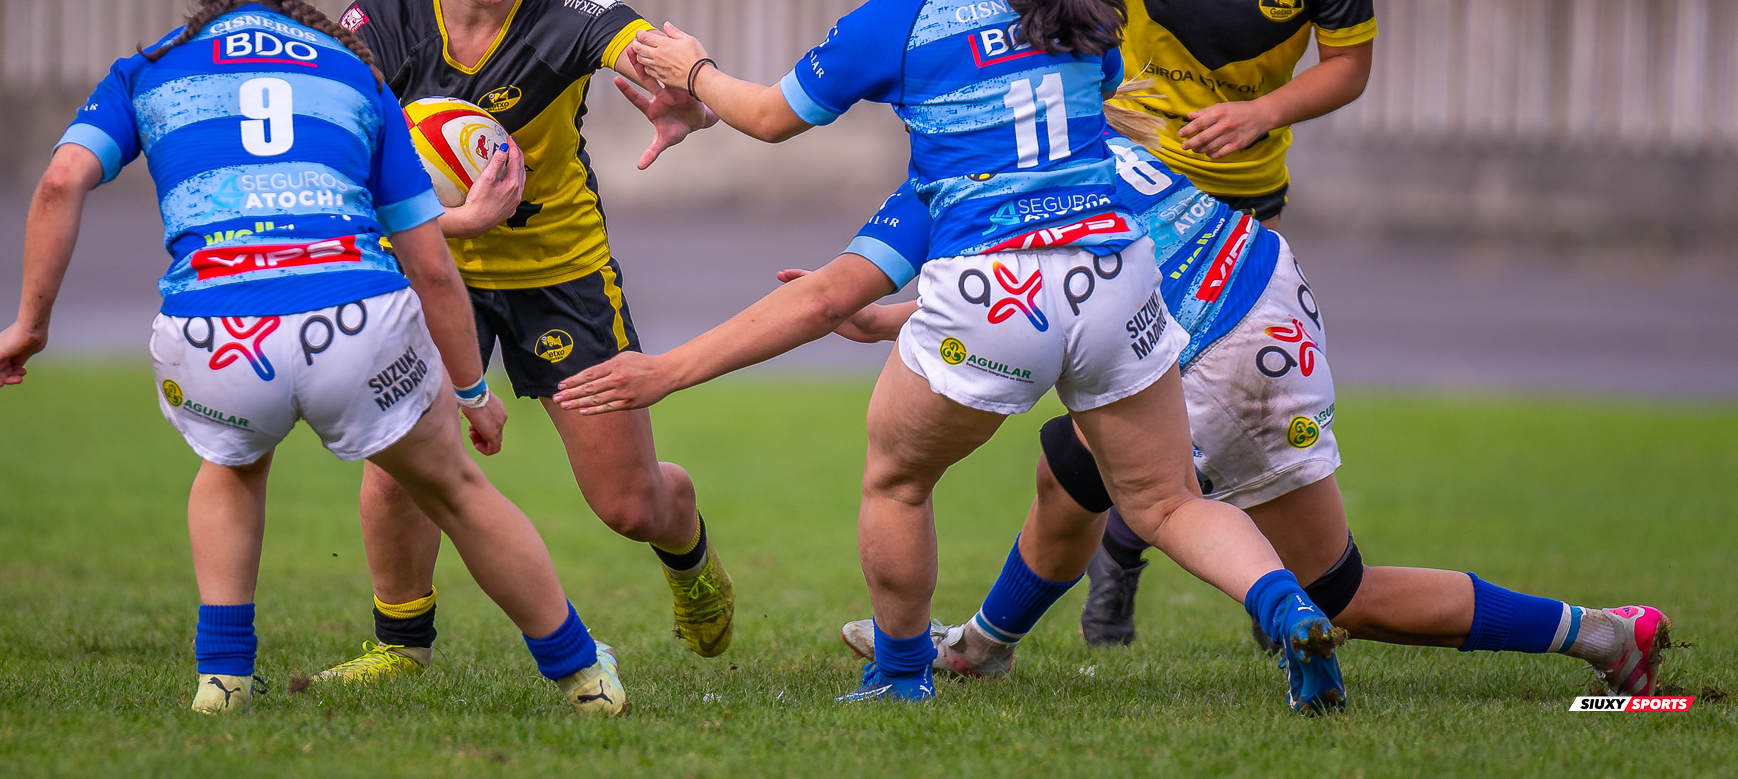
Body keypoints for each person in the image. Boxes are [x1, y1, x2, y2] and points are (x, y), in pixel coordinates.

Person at [610, 0, 1348, 712]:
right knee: (1163, 503)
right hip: (1117, 274)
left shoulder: (905, 20)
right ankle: (1289, 608)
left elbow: (770, 118)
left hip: (995, 292)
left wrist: (692, 69)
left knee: (898, 479)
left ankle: (901, 674)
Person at [559, 123, 1673, 701]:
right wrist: (896, 318)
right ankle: (1603, 635)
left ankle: (995, 649)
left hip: (1203, 344)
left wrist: (672, 369)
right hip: (1268, 299)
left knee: (1140, 494)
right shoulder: (1068, 121)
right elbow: (1038, 273)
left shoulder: (969, 160)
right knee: (1090, 476)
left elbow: (961, 290)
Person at [0, 0, 627, 717]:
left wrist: (30, 323)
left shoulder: (149, 69)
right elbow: (431, 264)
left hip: (216, 334)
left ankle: (223, 680)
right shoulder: (353, 72)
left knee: (231, 467)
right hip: (354, 323)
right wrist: (472, 392)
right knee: (456, 490)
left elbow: (60, 181)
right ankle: (582, 676)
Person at [314, 0, 733, 684]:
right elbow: (340, 183)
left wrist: (697, 91)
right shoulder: (379, 26)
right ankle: (400, 647)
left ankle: (685, 539)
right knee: (399, 465)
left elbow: (641, 45)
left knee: (628, 505)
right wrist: (454, 222)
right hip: (438, 271)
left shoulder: (566, 11)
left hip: (561, 271)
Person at [1060, 0, 1378, 629]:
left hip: (1242, 199)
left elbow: (1349, 68)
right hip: (1136, 182)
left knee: (1209, 401)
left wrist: (1260, 113)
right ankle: (1145, 556)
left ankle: (1141, 548)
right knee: (1123, 400)